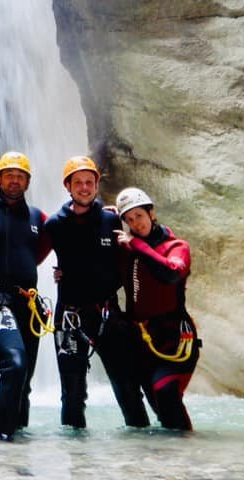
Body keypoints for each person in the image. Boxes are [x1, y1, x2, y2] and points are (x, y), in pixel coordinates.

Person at [45, 156, 150, 429]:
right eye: (77, 183)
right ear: (68, 186)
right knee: (72, 394)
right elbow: (29, 253)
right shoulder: (55, 224)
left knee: (128, 387)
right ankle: (77, 461)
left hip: (108, 313)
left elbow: (135, 251)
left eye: (89, 182)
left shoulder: (111, 219)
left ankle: (146, 456)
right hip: (70, 316)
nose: (84, 188)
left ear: (96, 185)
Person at [0, 151, 51, 441]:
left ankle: (20, 442)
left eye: (20, 176)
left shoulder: (37, 217)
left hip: (28, 300)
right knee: (14, 364)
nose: (14, 180)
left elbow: (41, 251)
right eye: (9, 175)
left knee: (24, 378)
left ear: (27, 181)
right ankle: (3, 440)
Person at [114, 187, 201, 431]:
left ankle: (185, 453)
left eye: (139, 216)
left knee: (165, 391)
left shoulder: (176, 246)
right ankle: (165, 459)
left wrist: (136, 245)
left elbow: (170, 273)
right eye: (129, 219)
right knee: (157, 401)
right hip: (140, 337)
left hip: (174, 337)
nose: (135, 223)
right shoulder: (128, 249)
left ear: (151, 213)